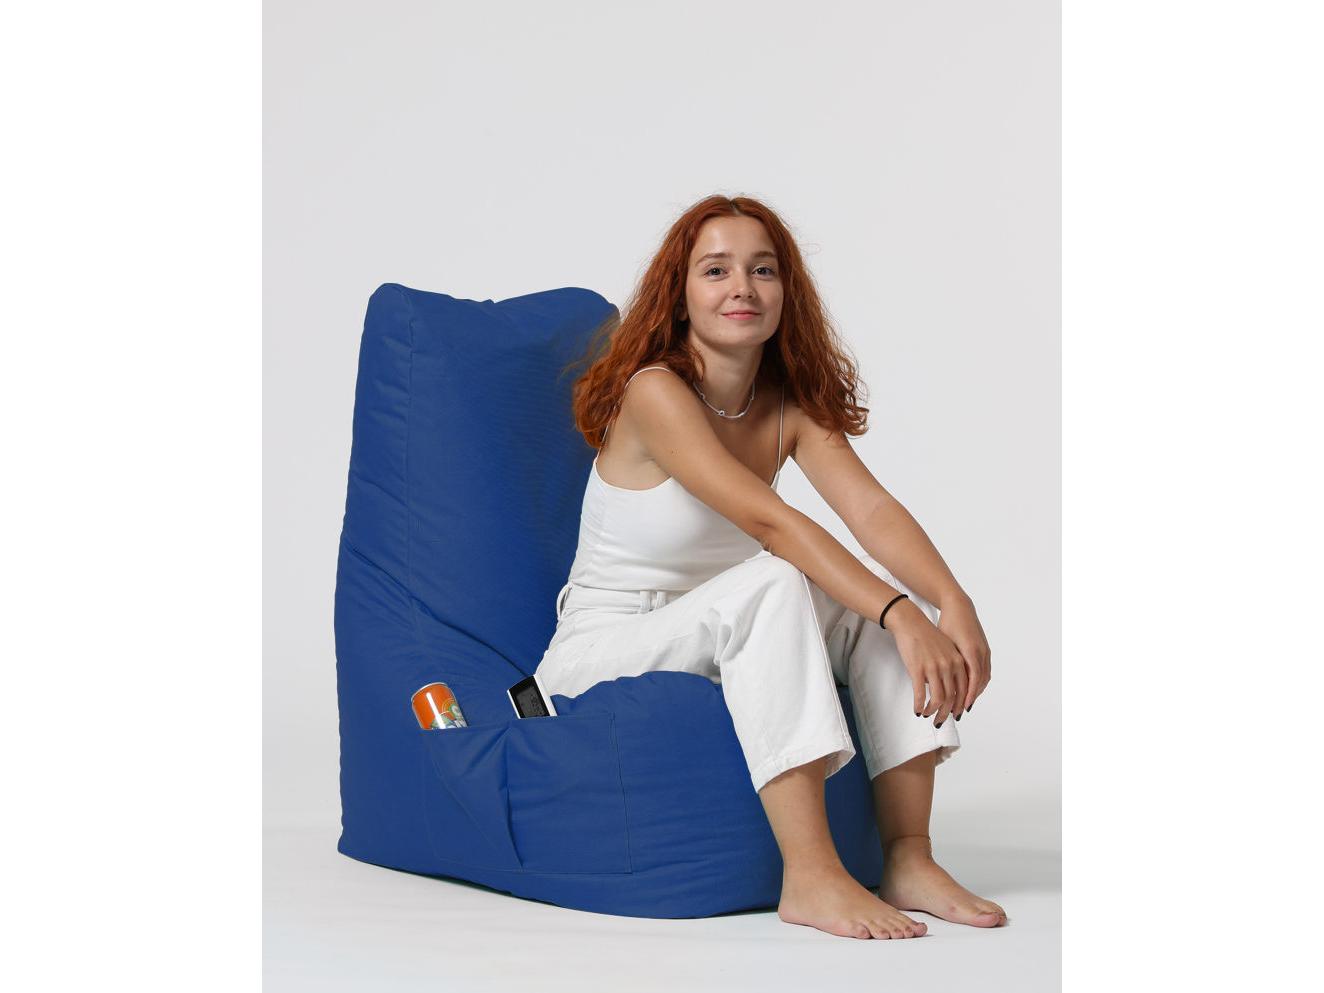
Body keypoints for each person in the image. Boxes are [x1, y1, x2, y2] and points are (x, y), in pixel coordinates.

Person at [535, 194, 1008, 940]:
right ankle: (811, 872)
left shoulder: (784, 404)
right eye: (716, 270)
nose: (742, 289)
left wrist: (952, 601)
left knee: (868, 611)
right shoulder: (655, 391)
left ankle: (910, 854)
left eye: (763, 270)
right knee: (789, 579)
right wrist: (901, 611)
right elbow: (771, 524)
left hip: (731, 623)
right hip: (607, 644)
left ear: (787, 289)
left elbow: (871, 510)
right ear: (680, 294)